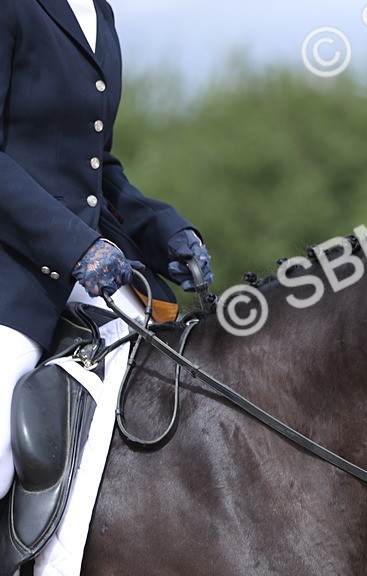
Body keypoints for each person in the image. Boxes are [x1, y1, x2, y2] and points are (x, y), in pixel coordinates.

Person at [0, 0, 212, 499]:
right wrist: (76, 245)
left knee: (177, 388)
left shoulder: (100, 14)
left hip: (88, 275)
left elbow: (95, 165)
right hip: (12, 279)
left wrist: (164, 230)